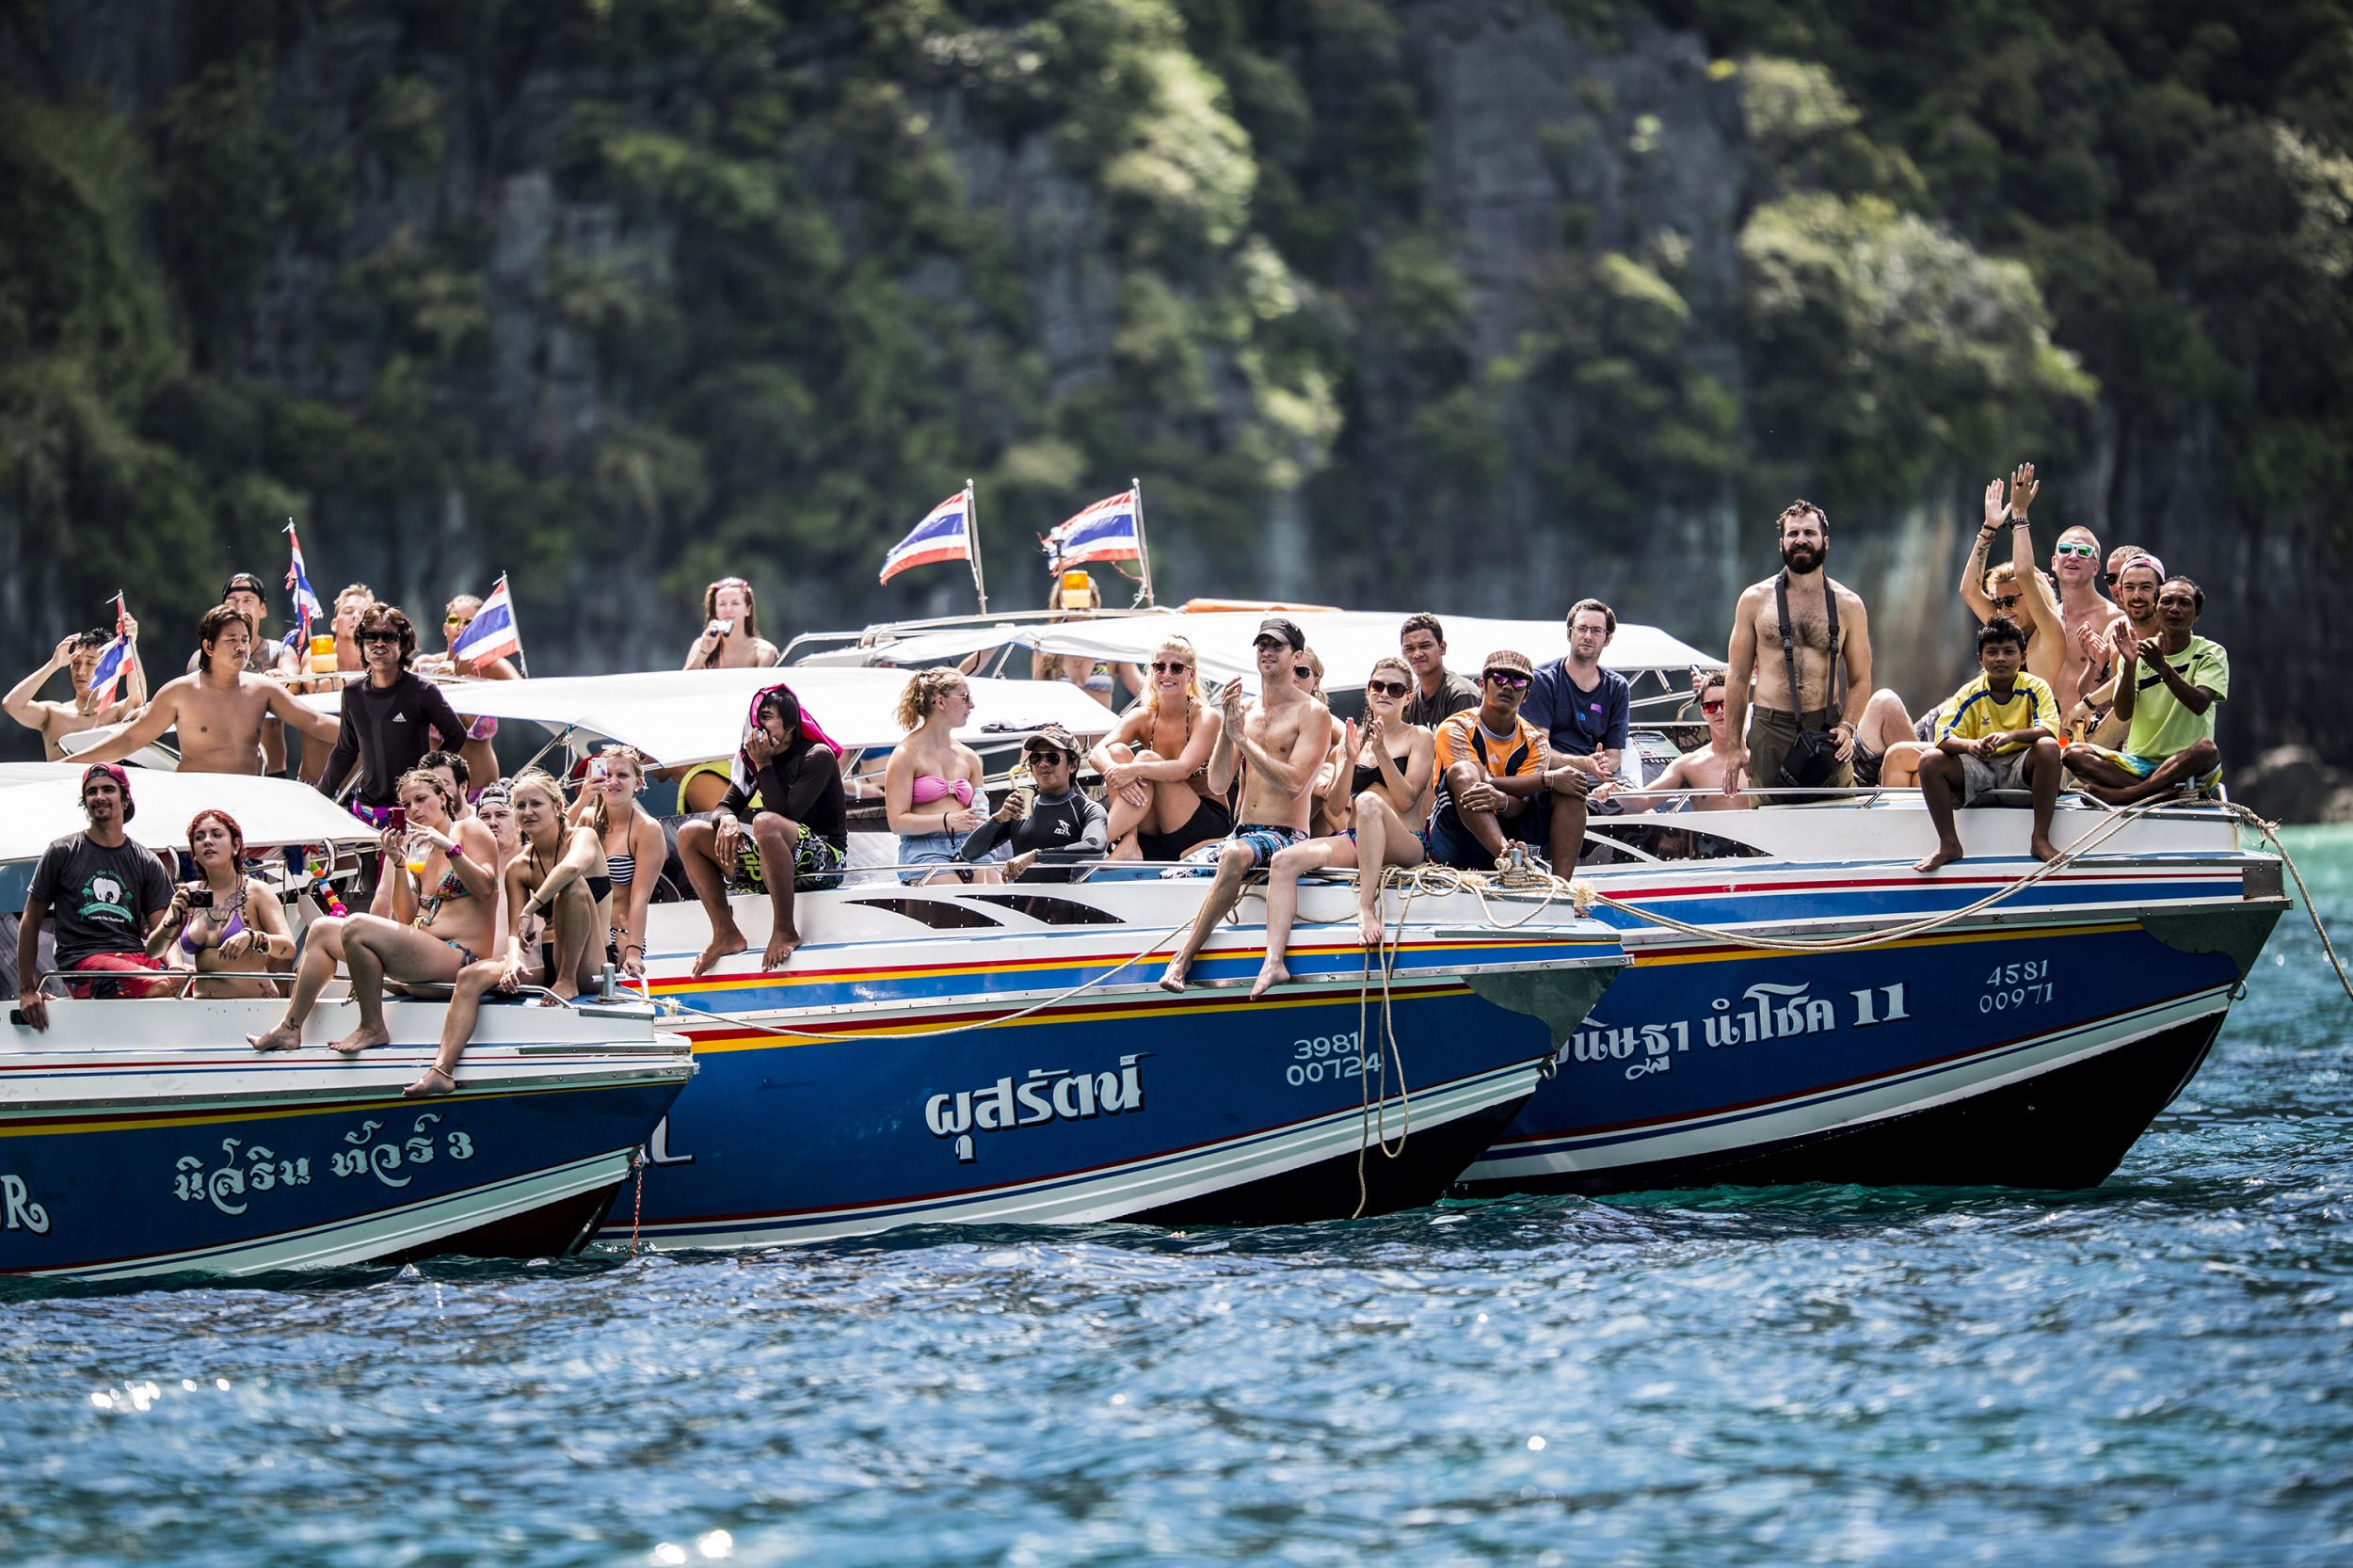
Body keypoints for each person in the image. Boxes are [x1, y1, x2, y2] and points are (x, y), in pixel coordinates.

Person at [246, 767, 501, 1055]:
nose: (414, 809)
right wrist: (398, 862)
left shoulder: (468, 829)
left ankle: (372, 1027)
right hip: (425, 963)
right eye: (406, 805)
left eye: (420, 799)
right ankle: (289, 1028)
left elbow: (485, 887)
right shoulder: (420, 850)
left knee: (356, 925)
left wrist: (451, 848)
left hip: (461, 960)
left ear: (443, 798)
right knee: (322, 930)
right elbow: (405, 917)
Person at [1158, 618, 1329, 993]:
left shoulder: (1312, 713)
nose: (1267, 651)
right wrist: (1227, 727)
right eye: (1262, 644)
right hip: (1242, 832)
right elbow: (1218, 782)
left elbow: (1296, 784)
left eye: (1277, 646)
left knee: (1233, 854)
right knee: (1171, 874)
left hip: (1286, 835)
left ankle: (1181, 961)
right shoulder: (1246, 711)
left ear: (1295, 656)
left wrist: (1244, 742)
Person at [1256, 656, 1435, 990]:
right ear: (1368, 691)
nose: (1385, 693)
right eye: (1378, 686)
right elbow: (1337, 805)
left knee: (1370, 801)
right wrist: (1350, 759)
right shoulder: (1350, 741)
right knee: (1283, 860)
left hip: (1406, 842)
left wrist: (1381, 753)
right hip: (1358, 837)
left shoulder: (1418, 736)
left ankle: (1365, 907)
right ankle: (1273, 962)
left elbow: (1407, 799)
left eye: (1395, 689)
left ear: (1408, 697)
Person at [676, 683, 848, 973]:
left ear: (790, 724)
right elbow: (723, 806)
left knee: (764, 822)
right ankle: (725, 933)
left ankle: (784, 929)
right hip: (776, 864)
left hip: (825, 863)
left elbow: (785, 814)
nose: (759, 725)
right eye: (757, 718)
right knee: (690, 833)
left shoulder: (817, 756)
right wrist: (727, 819)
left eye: (767, 717)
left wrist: (764, 763)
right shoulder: (755, 761)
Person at [1721, 501, 1875, 803]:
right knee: (1769, 828)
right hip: (1770, 729)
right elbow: (1737, 677)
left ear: (1825, 541)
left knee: (1838, 820)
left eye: (1809, 532)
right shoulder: (1754, 600)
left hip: (1828, 729)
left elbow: (1861, 679)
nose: (1800, 540)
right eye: (1792, 534)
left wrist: (1847, 726)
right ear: (1782, 542)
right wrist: (1734, 748)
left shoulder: (1849, 605)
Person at [81, 603, 341, 776]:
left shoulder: (263, 690)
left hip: (247, 798)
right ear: (208, 647)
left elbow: (314, 722)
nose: (241, 646)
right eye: (231, 640)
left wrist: (371, 736)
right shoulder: (179, 693)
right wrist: (69, 765)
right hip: (197, 801)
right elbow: (131, 738)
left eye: (245, 640)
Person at [13, 764, 177, 1027]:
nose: (99, 796)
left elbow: (164, 931)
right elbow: (30, 921)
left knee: (205, 985)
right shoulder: (62, 852)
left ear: (125, 800)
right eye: (92, 792)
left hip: (137, 959)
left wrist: (180, 970)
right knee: (160, 985)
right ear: (85, 802)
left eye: (108, 789)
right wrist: (27, 990)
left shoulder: (147, 860)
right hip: (83, 962)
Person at [1913, 618, 2064, 872]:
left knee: (2048, 746)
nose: (2001, 658)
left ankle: (2040, 839)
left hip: (2021, 764)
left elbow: (2048, 727)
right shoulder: (1970, 691)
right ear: (1980, 659)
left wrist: (2010, 737)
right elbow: (1943, 736)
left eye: (2009, 651)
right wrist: (1971, 746)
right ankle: (1949, 844)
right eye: (1992, 652)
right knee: (1929, 760)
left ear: (2023, 655)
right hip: (1981, 767)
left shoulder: (2035, 687)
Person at [2063, 576, 2227, 804]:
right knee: (2074, 754)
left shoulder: (2210, 653)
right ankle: (2159, 791)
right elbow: (2123, 713)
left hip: (2186, 763)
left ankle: (2130, 794)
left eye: (2184, 603)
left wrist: (2163, 668)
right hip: (2138, 765)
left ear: (2196, 613)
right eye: (2167, 602)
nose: (2175, 609)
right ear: (2156, 609)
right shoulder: (2136, 654)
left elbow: (2200, 704)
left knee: (2207, 750)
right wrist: (2129, 666)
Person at [313, 604, 472, 824]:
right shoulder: (352, 692)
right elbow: (345, 750)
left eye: (388, 636)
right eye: (371, 636)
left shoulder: (422, 691)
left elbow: (456, 734)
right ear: (362, 644)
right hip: (367, 809)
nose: (379, 643)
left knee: (408, 861)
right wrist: (319, 797)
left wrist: (425, 779)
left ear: (402, 644)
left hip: (411, 810)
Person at [1994, 464, 2122, 717]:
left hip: (2086, 740)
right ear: (2054, 563)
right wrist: (1989, 528)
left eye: (2084, 552)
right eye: (2065, 550)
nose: (2073, 556)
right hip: (2040, 737)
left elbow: (2123, 694)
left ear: (2096, 567)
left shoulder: (2114, 620)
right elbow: (1975, 591)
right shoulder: (2043, 619)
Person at [1093, 635, 1231, 861]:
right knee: (1117, 752)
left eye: (1176, 668)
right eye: (1159, 667)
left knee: (1145, 758)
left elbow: (1184, 769)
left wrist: (1133, 770)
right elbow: (1098, 751)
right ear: (1151, 672)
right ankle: (1128, 842)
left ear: (1191, 674)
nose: (1167, 674)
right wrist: (1114, 770)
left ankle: (1093, 845)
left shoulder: (1206, 717)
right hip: (1154, 822)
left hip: (1201, 823)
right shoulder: (1143, 716)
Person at [1523, 600, 1630, 869]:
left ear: (1607, 639)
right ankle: (1564, 881)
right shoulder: (1544, 680)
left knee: (1651, 816)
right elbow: (1540, 751)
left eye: (1597, 630)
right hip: (1553, 778)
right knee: (1572, 798)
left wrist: (1605, 770)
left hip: (1599, 781)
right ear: (1569, 632)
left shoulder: (1617, 687)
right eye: (1581, 628)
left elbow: (1615, 755)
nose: (1588, 636)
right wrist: (1583, 764)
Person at [148, 808, 293, 999]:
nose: (208, 841)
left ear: (235, 846)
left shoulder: (257, 891)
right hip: (202, 1009)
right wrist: (172, 921)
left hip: (253, 1008)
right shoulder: (189, 894)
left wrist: (253, 938)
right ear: (194, 852)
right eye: (199, 837)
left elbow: (288, 948)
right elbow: (153, 951)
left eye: (217, 835)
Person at [1424, 651, 1549, 870]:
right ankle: (1510, 862)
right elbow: (1478, 783)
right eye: (1499, 678)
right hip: (1455, 835)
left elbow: (1520, 804)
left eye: (1518, 681)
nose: (1508, 686)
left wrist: (1502, 800)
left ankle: (1566, 890)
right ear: (1482, 684)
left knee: (1571, 791)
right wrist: (1547, 779)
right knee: (1463, 771)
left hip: (1508, 827)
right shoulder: (1455, 728)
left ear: (1526, 694)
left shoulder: (1536, 743)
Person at [884, 669, 997, 885]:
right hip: (923, 849)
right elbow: (897, 823)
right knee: (959, 899)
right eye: (965, 697)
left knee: (995, 890)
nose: (971, 705)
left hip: (971, 845)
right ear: (940, 702)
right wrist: (948, 820)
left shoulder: (970, 757)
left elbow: (981, 815)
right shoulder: (905, 755)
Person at [956, 726, 1111, 882]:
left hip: (1069, 903)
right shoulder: (1021, 809)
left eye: (1052, 757)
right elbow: (969, 852)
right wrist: (998, 819)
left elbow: (1095, 847)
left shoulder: (1088, 809)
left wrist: (1035, 856)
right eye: (1035, 758)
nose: (1042, 764)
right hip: (1020, 904)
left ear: (1073, 765)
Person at [567, 749, 667, 978]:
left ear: (638, 783)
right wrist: (583, 798)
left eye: (622, 775)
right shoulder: (585, 819)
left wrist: (634, 952)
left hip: (617, 934)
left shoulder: (646, 829)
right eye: (607, 774)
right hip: (576, 929)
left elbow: (640, 899)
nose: (613, 782)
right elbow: (548, 842)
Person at [416, 593, 522, 789]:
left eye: (469, 622)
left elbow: (525, 694)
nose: (461, 626)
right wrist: (432, 686)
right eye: (454, 620)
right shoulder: (426, 667)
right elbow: (393, 694)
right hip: (433, 790)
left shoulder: (493, 667)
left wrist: (478, 685)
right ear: (445, 627)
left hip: (482, 790)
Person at [5, 621, 147, 760]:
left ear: (109, 667)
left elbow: (139, 699)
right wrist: (54, 664)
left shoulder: (119, 713)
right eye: (76, 663)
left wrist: (131, 645)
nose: (81, 671)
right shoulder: (54, 713)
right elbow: (12, 705)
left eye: (90, 663)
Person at [1625, 670, 1747, 809]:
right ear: (1703, 712)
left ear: (1740, 705)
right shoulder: (1688, 765)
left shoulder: (1763, 759)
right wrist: (1614, 789)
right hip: (1708, 831)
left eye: (1726, 704)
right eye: (1710, 706)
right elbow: (1643, 801)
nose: (1719, 711)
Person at [1400, 613, 1481, 728]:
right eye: (1409, 649)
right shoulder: (1408, 699)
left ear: (1442, 648)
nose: (1417, 654)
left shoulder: (1462, 694)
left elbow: (1465, 744)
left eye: (1425, 646)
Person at [684, 576, 782, 669]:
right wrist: (704, 652)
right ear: (715, 611)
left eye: (735, 603)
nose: (728, 610)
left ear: (748, 610)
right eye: (722, 604)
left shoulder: (763, 652)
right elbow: (683, 683)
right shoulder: (700, 645)